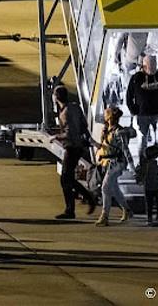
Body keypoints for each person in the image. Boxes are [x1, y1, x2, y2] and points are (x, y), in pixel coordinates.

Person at [52, 85, 97, 219]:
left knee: (65, 179)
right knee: (68, 178)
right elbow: (84, 125)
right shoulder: (75, 107)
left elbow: (68, 133)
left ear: (56, 97)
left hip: (72, 147)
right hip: (78, 146)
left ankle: (81, 203)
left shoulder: (64, 112)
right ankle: (77, 205)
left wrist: (55, 137)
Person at [94, 106, 135, 226]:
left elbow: (125, 150)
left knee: (105, 187)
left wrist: (132, 167)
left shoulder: (119, 132)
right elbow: (104, 147)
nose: (104, 115)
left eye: (106, 113)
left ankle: (104, 216)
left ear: (110, 116)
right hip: (108, 162)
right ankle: (127, 210)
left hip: (117, 163)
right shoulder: (107, 130)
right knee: (114, 188)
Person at [126, 54, 158, 158]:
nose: (151, 69)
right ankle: (142, 161)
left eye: (153, 66)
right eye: (149, 66)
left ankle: (152, 155)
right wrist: (133, 110)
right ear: (144, 66)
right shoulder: (136, 78)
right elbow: (129, 96)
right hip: (142, 115)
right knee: (142, 140)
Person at [139, 144, 158, 225]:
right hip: (154, 186)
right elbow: (153, 172)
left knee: (149, 203)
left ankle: (150, 218)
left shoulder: (146, 163)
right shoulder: (151, 164)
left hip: (148, 186)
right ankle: (157, 216)